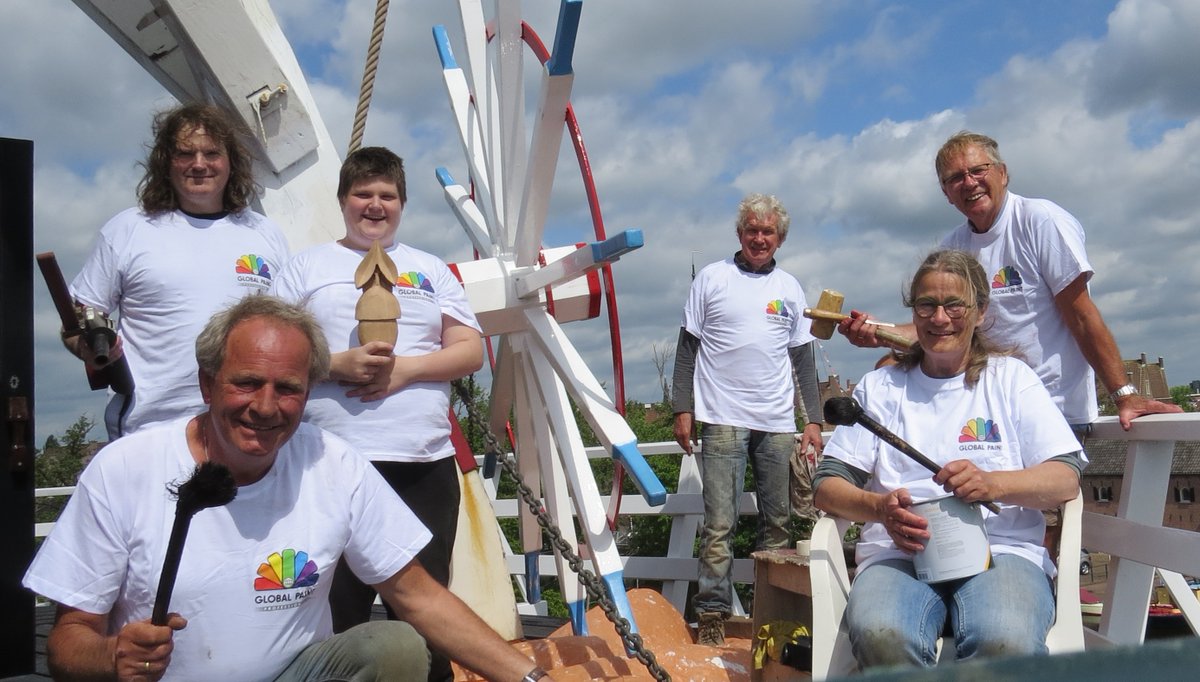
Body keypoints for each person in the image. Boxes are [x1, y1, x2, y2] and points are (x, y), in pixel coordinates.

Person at [23, 296, 546, 682]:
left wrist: (528, 678)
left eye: (289, 388)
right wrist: (112, 655)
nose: (267, 407)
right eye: (247, 382)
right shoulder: (125, 470)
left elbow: (417, 595)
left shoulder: (332, 461)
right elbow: (69, 641)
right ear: (208, 384)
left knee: (395, 647)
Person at [271, 147, 483, 681]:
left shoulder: (430, 270)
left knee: (427, 598)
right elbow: (272, 350)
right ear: (343, 201)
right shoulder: (307, 268)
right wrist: (334, 363)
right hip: (330, 463)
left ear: (402, 205)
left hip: (421, 462)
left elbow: (470, 350)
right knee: (337, 602)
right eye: (363, 194)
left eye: (386, 195)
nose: (374, 205)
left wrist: (407, 371)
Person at [814, 249, 1084, 669]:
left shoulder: (1012, 379)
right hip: (898, 554)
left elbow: (1065, 477)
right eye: (927, 305)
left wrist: (996, 484)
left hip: (1003, 550)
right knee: (882, 634)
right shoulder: (880, 388)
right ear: (914, 312)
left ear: (980, 312)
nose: (940, 318)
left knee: (1003, 640)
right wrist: (879, 510)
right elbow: (827, 485)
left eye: (954, 304)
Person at [839, 131, 1181, 432]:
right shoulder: (952, 247)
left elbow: (1081, 315)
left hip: (1053, 411)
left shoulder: (1040, 221)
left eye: (978, 170)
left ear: (1003, 174)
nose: (969, 183)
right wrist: (878, 332)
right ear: (946, 193)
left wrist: (1124, 394)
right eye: (956, 178)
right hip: (988, 411)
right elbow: (941, 326)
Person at [66, 102, 290, 440]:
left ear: (231, 162)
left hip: (246, 428)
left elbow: (287, 330)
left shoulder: (265, 234)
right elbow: (77, 320)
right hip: (150, 429)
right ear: (166, 163)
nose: (199, 164)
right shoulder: (127, 229)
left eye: (211, 153)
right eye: (186, 153)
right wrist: (86, 345)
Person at [670, 193, 824, 646]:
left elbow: (804, 360)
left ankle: (772, 617)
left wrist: (812, 418)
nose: (760, 238)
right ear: (740, 234)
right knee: (720, 523)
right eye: (752, 230)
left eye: (768, 232)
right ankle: (714, 615)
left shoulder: (790, 288)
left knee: (778, 524)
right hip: (721, 418)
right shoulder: (712, 279)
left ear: (780, 238)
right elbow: (686, 351)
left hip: (777, 423)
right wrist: (684, 408)